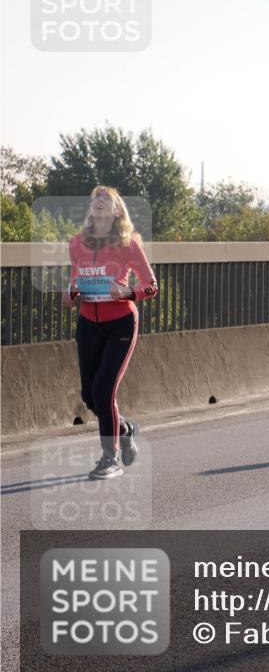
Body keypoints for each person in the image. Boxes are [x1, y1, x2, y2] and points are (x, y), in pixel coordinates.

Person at [63, 185, 158, 479]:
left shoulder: (128, 244)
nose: (99, 201)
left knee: (104, 389)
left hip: (120, 323)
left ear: (117, 210)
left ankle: (110, 458)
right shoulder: (77, 244)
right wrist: (70, 292)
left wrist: (127, 292)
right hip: (88, 324)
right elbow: (71, 289)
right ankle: (125, 430)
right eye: (96, 198)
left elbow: (151, 286)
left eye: (106, 198)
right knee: (90, 395)